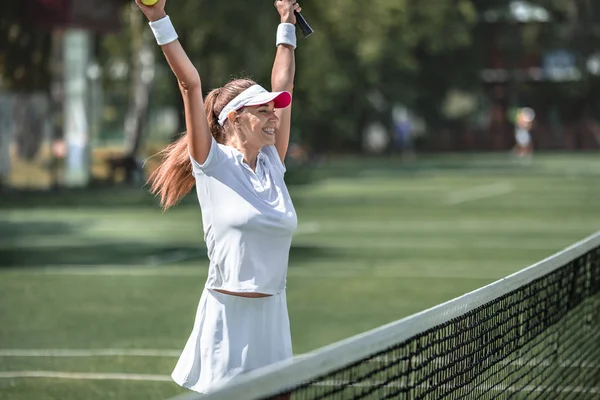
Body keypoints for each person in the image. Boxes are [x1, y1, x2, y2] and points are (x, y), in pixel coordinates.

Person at [134, 0, 301, 394]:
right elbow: (189, 82)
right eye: (264, 111)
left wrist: (286, 23)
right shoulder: (212, 162)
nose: (274, 117)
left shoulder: (272, 163)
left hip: (273, 317)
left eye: (274, 110)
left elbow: (285, 85)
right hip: (227, 321)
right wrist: (157, 16)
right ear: (236, 118)